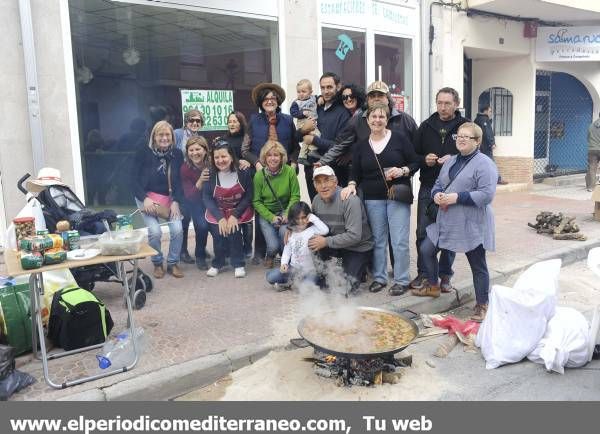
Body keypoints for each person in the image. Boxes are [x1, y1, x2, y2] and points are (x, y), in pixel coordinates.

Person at [414, 122, 497, 322]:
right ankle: (433, 286)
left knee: (477, 264)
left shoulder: (485, 164)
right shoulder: (451, 161)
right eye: (458, 136)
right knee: (427, 249)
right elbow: (438, 184)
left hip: (471, 222)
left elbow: (487, 195)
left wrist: (456, 198)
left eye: (466, 137)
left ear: (477, 142)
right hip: (447, 219)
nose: (460, 139)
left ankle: (482, 304)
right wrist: (436, 196)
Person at [341, 102, 419, 295]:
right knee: (378, 240)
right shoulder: (361, 146)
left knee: (399, 240)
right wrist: (351, 184)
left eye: (381, 116)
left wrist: (403, 170)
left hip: (397, 196)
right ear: (367, 120)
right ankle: (380, 277)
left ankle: (401, 279)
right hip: (372, 199)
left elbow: (415, 161)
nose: (377, 120)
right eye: (373, 117)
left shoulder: (399, 139)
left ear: (387, 120)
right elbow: (355, 172)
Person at [411, 87, 469, 293]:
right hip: (428, 187)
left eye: (447, 103)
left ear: (456, 103)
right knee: (422, 232)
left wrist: (454, 160)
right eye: (440, 103)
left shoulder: (465, 127)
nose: (443, 107)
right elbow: (413, 156)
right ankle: (424, 273)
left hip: (454, 191)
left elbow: (475, 156)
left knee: (449, 235)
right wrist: (423, 160)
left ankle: (445, 276)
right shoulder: (426, 126)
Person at [316, 80, 417, 171]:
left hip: (397, 179)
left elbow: (417, 150)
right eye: (372, 96)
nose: (376, 99)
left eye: (380, 95)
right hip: (367, 179)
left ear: (388, 98)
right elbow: (339, 145)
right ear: (367, 100)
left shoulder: (404, 120)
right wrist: (322, 162)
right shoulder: (357, 120)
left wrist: (406, 171)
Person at [309, 165, 374, 294]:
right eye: (319, 182)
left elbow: (354, 236)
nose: (323, 186)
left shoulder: (350, 200)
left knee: (346, 289)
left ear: (336, 181)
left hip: (357, 248)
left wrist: (326, 242)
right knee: (324, 284)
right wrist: (292, 228)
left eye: (327, 180)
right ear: (315, 186)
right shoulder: (316, 200)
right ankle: (336, 268)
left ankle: (361, 270)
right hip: (337, 247)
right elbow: (311, 224)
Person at [132, 120, 184, 279]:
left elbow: (179, 181)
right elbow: (132, 179)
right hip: (146, 197)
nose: (164, 138)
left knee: (177, 229)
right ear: (154, 136)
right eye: (160, 134)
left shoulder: (177, 154)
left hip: (169, 199)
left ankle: (173, 262)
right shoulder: (143, 151)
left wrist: (176, 201)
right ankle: (157, 263)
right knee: (155, 232)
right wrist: (144, 199)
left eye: (167, 134)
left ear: (172, 137)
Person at [203, 140, 254, 278]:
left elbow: (249, 195)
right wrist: (220, 218)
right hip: (218, 211)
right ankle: (218, 263)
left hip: (236, 210)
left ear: (231, 156)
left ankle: (238, 263)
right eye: (217, 157)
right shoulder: (210, 174)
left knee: (234, 233)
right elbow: (207, 198)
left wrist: (235, 215)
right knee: (218, 235)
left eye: (224, 156)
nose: (220, 160)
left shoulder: (243, 172)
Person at [301, 72, 351, 198]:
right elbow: (298, 136)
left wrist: (314, 140)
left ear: (338, 87)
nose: (326, 91)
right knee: (316, 210)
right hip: (312, 168)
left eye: (329, 87)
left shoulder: (344, 113)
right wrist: (302, 131)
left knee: (335, 212)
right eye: (323, 88)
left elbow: (339, 146)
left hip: (334, 170)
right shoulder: (316, 107)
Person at [252, 141, 301, 267]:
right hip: (267, 214)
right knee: (273, 246)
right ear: (264, 158)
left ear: (281, 157)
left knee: (284, 239)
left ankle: (285, 260)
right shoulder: (259, 176)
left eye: (276, 155)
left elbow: (295, 195)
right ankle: (270, 255)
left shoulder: (290, 172)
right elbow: (256, 201)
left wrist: (287, 213)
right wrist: (271, 217)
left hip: (285, 211)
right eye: (269, 155)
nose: (273, 158)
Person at [266, 201, 329, 291]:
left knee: (306, 288)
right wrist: (284, 263)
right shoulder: (291, 232)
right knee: (270, 277)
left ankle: (290, 284)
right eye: (297, 218)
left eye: (304, 217)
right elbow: (287, 251)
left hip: (309, 271)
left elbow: (325, 230)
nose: (301, 221)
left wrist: (312, 217)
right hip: (293, 270)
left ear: (308, 216)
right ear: (293, 219)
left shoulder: (313, 230)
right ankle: (292, 282)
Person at [242, 82, 300, 169]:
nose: (269, 101)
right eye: (265, 99)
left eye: (273, 98)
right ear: (261, 102)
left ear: (278, 101)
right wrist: (257, 163)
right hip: (260, 172)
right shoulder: (253, 121)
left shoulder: (288, 120)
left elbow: (296, 148)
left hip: (285, 172)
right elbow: (244, 150)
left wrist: (293, 164)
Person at [174, 109, 205, 264]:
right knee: (184, 218)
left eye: (198, 121)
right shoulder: (178, 134)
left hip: (194, 182)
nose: (194, 123)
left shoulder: (200, 138)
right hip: (180, 181)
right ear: (186, 121)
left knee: (200, 219)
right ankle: (182, 251)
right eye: (191, 120)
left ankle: (201, 248)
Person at [224, 111, 253, 257]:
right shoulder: (224, 140)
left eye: (235, 121)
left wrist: (247, 161)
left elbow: (250, 157)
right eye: (230, 121)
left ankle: (247, 247)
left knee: (246, 217)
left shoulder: (247, 139)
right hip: (229, 181)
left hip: (245, 180)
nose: (232, 124)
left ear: (241, 123)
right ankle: (234, 246)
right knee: (232, 213)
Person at [180, 136, 211, 270]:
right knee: (202, 226)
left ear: (205, 150)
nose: (194, 153)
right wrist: (200, 181)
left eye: (198, 149)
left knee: (217, 228)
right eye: (191, 150)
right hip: (195, 202)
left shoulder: (212, 163)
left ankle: (222, 252)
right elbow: (190, 195)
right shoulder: (185, 168)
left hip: (212, 201)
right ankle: (200, 256)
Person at [474, 104, 507, 185]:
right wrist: (492, 143)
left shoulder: (477, 119)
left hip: (479, 146)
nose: (491, 113)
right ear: (485, 111)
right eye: (490, 111)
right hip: (485, 147)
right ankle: (498, 178)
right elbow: (487, 133)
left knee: (480, 163)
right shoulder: (484, 119)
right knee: (491, 163)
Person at [291, 79, 322, 165]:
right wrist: (301, 113)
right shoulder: (297, 102)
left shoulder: (313, 98)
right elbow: (292, 112)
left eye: (303, 91)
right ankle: (312, 150)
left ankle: (302, 156)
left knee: (309, 138)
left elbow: (318, 97)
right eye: (298, 92)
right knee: (316, 134)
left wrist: (320, 98)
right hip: (303, 122)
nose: (301, 94)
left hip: (312, 121)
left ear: (310, 92)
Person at [586, 112, 600, 192]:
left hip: (592, 149)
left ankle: (590, 187)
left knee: (592, 168)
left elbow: (588, 138)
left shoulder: (591, 126)